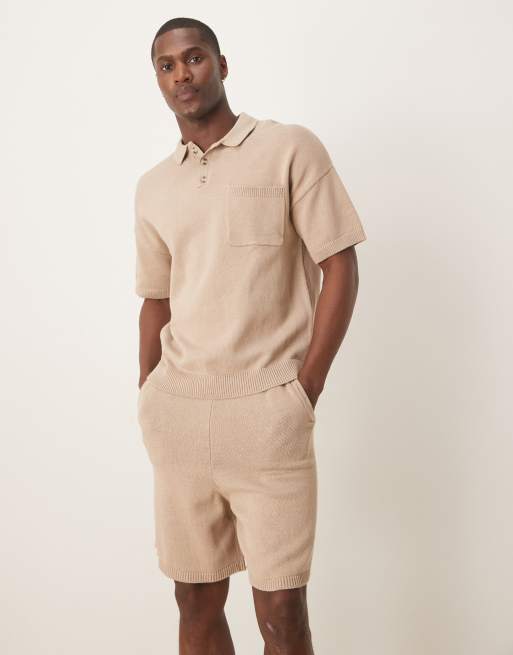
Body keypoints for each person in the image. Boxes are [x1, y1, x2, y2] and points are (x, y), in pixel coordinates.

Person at [134, 16, 367, 655]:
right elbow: (156, 298)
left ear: (222, 64)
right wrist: (148, 392)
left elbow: (340, 264)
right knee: (194, 601)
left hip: (269, 415)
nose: (182, 74)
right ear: (157, 79)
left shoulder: (290, 148)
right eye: (166, 65)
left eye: (194, 58)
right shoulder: (154, 186)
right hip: (179, 417)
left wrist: (305, 388)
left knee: (282, 613)